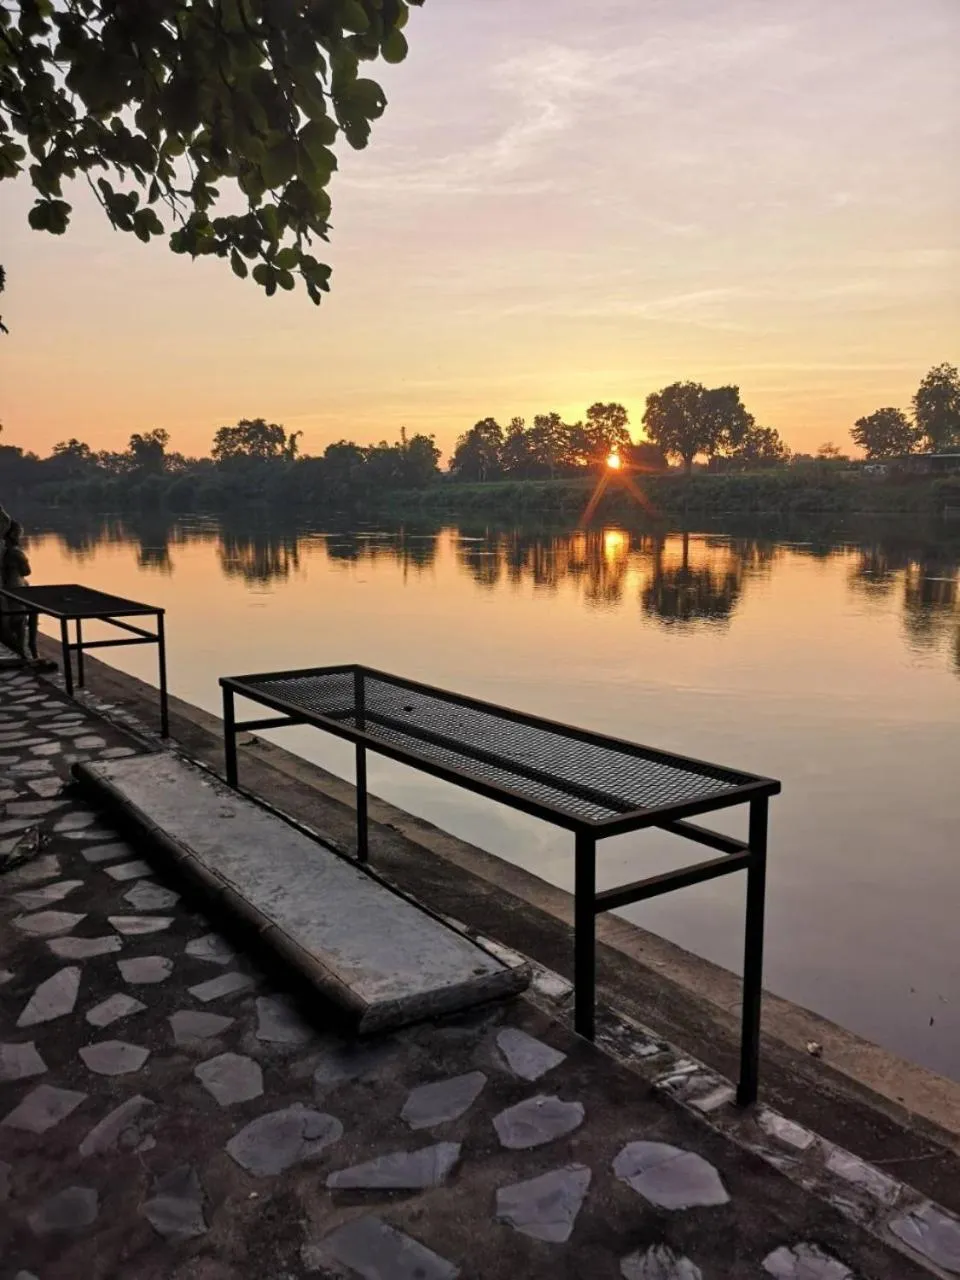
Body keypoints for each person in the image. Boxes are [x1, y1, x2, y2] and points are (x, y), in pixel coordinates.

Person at [0, 518, 38, 659]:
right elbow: (27, 572)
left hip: (7, 588)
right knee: (27, 612)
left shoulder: (3, 551)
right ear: (14, 534)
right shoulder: (16, 552)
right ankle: (30, 645)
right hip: (14, 588)